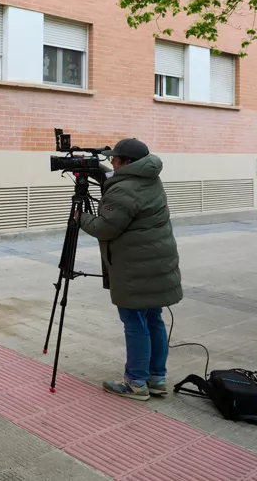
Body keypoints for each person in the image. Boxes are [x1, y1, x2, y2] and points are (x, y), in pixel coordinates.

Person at [78, 138, 183, 401]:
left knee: (134, 322)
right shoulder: (149, 178)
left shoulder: (124, 189)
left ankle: (135, 382)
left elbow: (105, 228)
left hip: (134, 268)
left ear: (127, 162)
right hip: (156, 262)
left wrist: (80, 217)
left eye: (115, 158)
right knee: (153, 319)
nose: (112, 162)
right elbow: (122, 186)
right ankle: (156, 378)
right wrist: (100, 171)